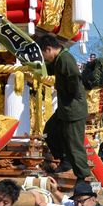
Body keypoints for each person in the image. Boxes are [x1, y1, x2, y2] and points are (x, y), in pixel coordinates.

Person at [36, 34, 90, 182]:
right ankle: (65, 160)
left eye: (43, 54)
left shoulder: (65, 59)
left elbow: (74, 80)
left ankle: (83, 178)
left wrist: (68, 92)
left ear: (48, 49)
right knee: (50, 131)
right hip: (64, 109)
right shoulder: (59, 60)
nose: (44, 58)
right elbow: (49, 68)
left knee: (74, 145)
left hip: (73, 109)